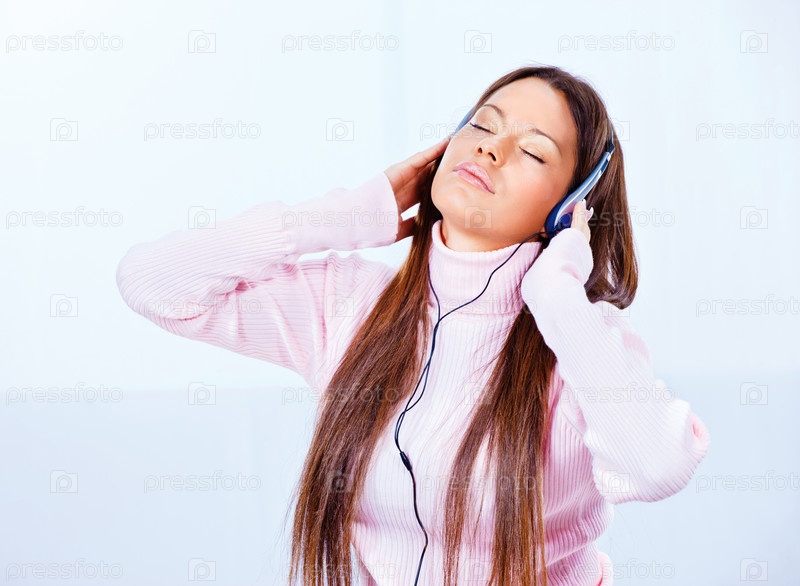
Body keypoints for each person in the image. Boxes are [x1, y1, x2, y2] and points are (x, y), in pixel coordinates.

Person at [116, 64, 711, 586]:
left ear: (568, 208)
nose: (491, 150)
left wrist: (557, 297)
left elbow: (657, 466)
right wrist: (345, 215)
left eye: (533, 152)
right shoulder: (349, 305)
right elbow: (152, 284)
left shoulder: (581, 342)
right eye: (482, 127)